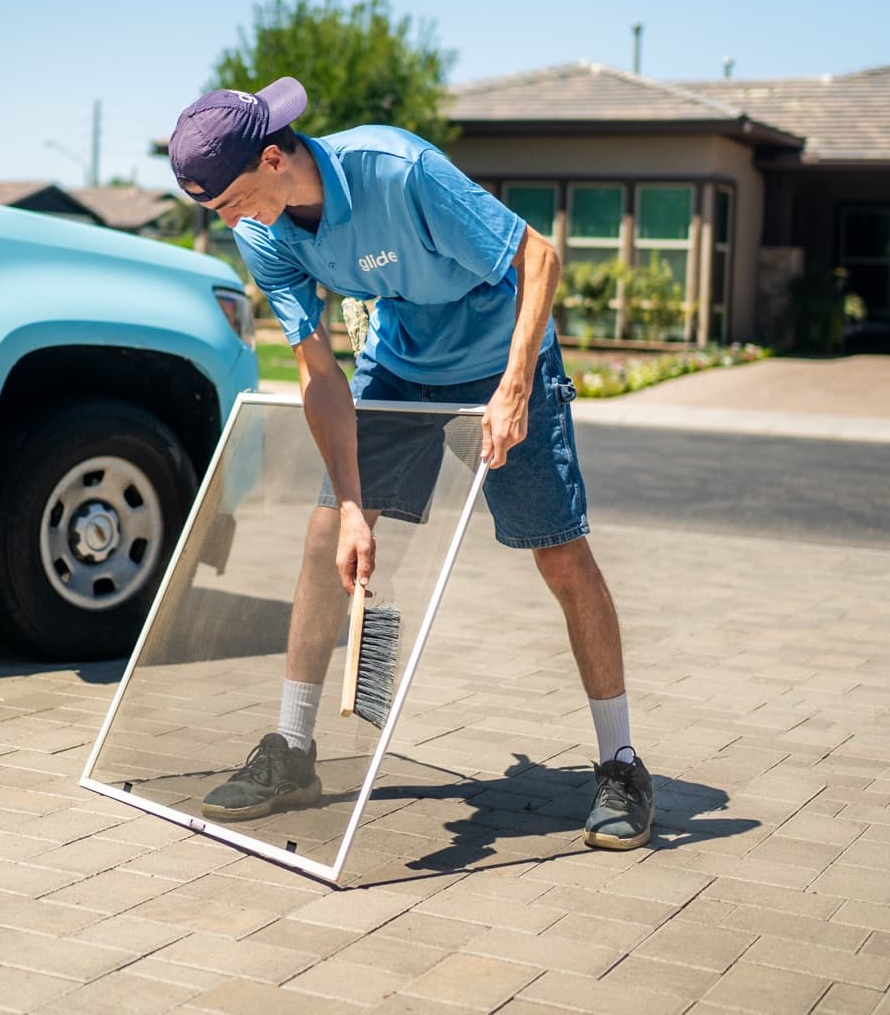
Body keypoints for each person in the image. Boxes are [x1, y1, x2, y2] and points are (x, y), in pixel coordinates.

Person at [167, 77, 653, 851]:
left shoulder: (397, 170)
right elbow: (319, 373)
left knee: (560, 557)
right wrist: (355, 505)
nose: (225, 223)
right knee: (326, 536)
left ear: (270, 159)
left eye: (226, 202)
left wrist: (515, 387)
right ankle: (293, 748)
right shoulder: (264, 230)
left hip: (503, 360)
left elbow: (540, 258)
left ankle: (621, 763)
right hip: (399, 366)